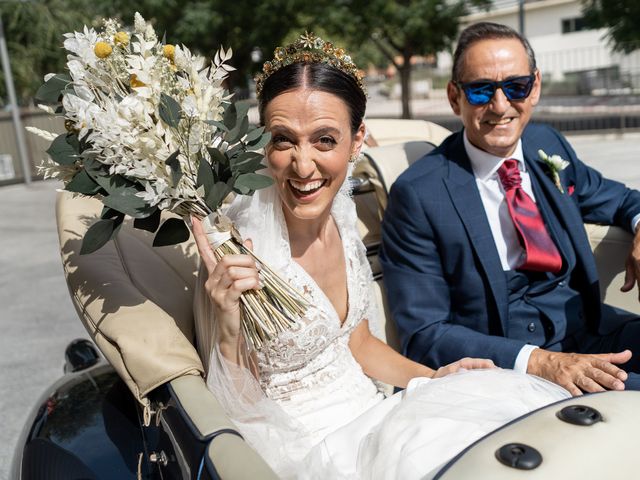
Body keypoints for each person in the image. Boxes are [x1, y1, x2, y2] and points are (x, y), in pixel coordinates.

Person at [192, 33, 568, 479]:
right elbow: (239, 409)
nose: (303, 165)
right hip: (312, 448)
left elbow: (357, 343)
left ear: (357, 141)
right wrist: (229, 327)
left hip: (379, 414)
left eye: (325, 140)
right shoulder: (237, 247)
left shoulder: (342, 220)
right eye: (283, 140)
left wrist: (433, 379)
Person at [381, 21, 640, 397]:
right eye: (481, 90)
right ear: (455, 97)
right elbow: (424, 333)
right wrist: (537, 361)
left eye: (515, 87)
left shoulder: (545, 143)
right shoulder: (419, 194)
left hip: (592, 328)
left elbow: (620, 198)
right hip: (512, 365)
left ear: (534, 88)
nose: (500, 106)